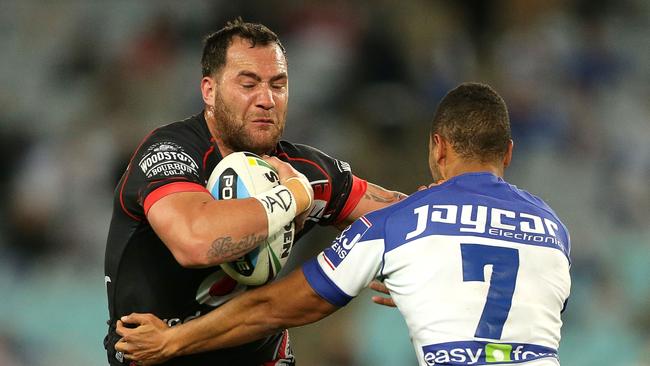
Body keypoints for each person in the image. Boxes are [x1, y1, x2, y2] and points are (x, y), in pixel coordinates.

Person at [115, 82, 572, 366]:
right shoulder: (554, 232)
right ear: (509, 153)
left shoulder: (398, 224)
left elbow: (273, 307)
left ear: (437, 148)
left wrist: (173, 341)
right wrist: (436, 277)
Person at [103, 18, 406, 366]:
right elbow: (196, 242)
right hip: (155, 354)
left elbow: (404, 218)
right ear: (209, 91)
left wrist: (422, 260)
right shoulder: (171, 154)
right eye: (248, 84)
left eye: (278, 85)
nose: (266, 99)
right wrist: (292, 197)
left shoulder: (306, 170)